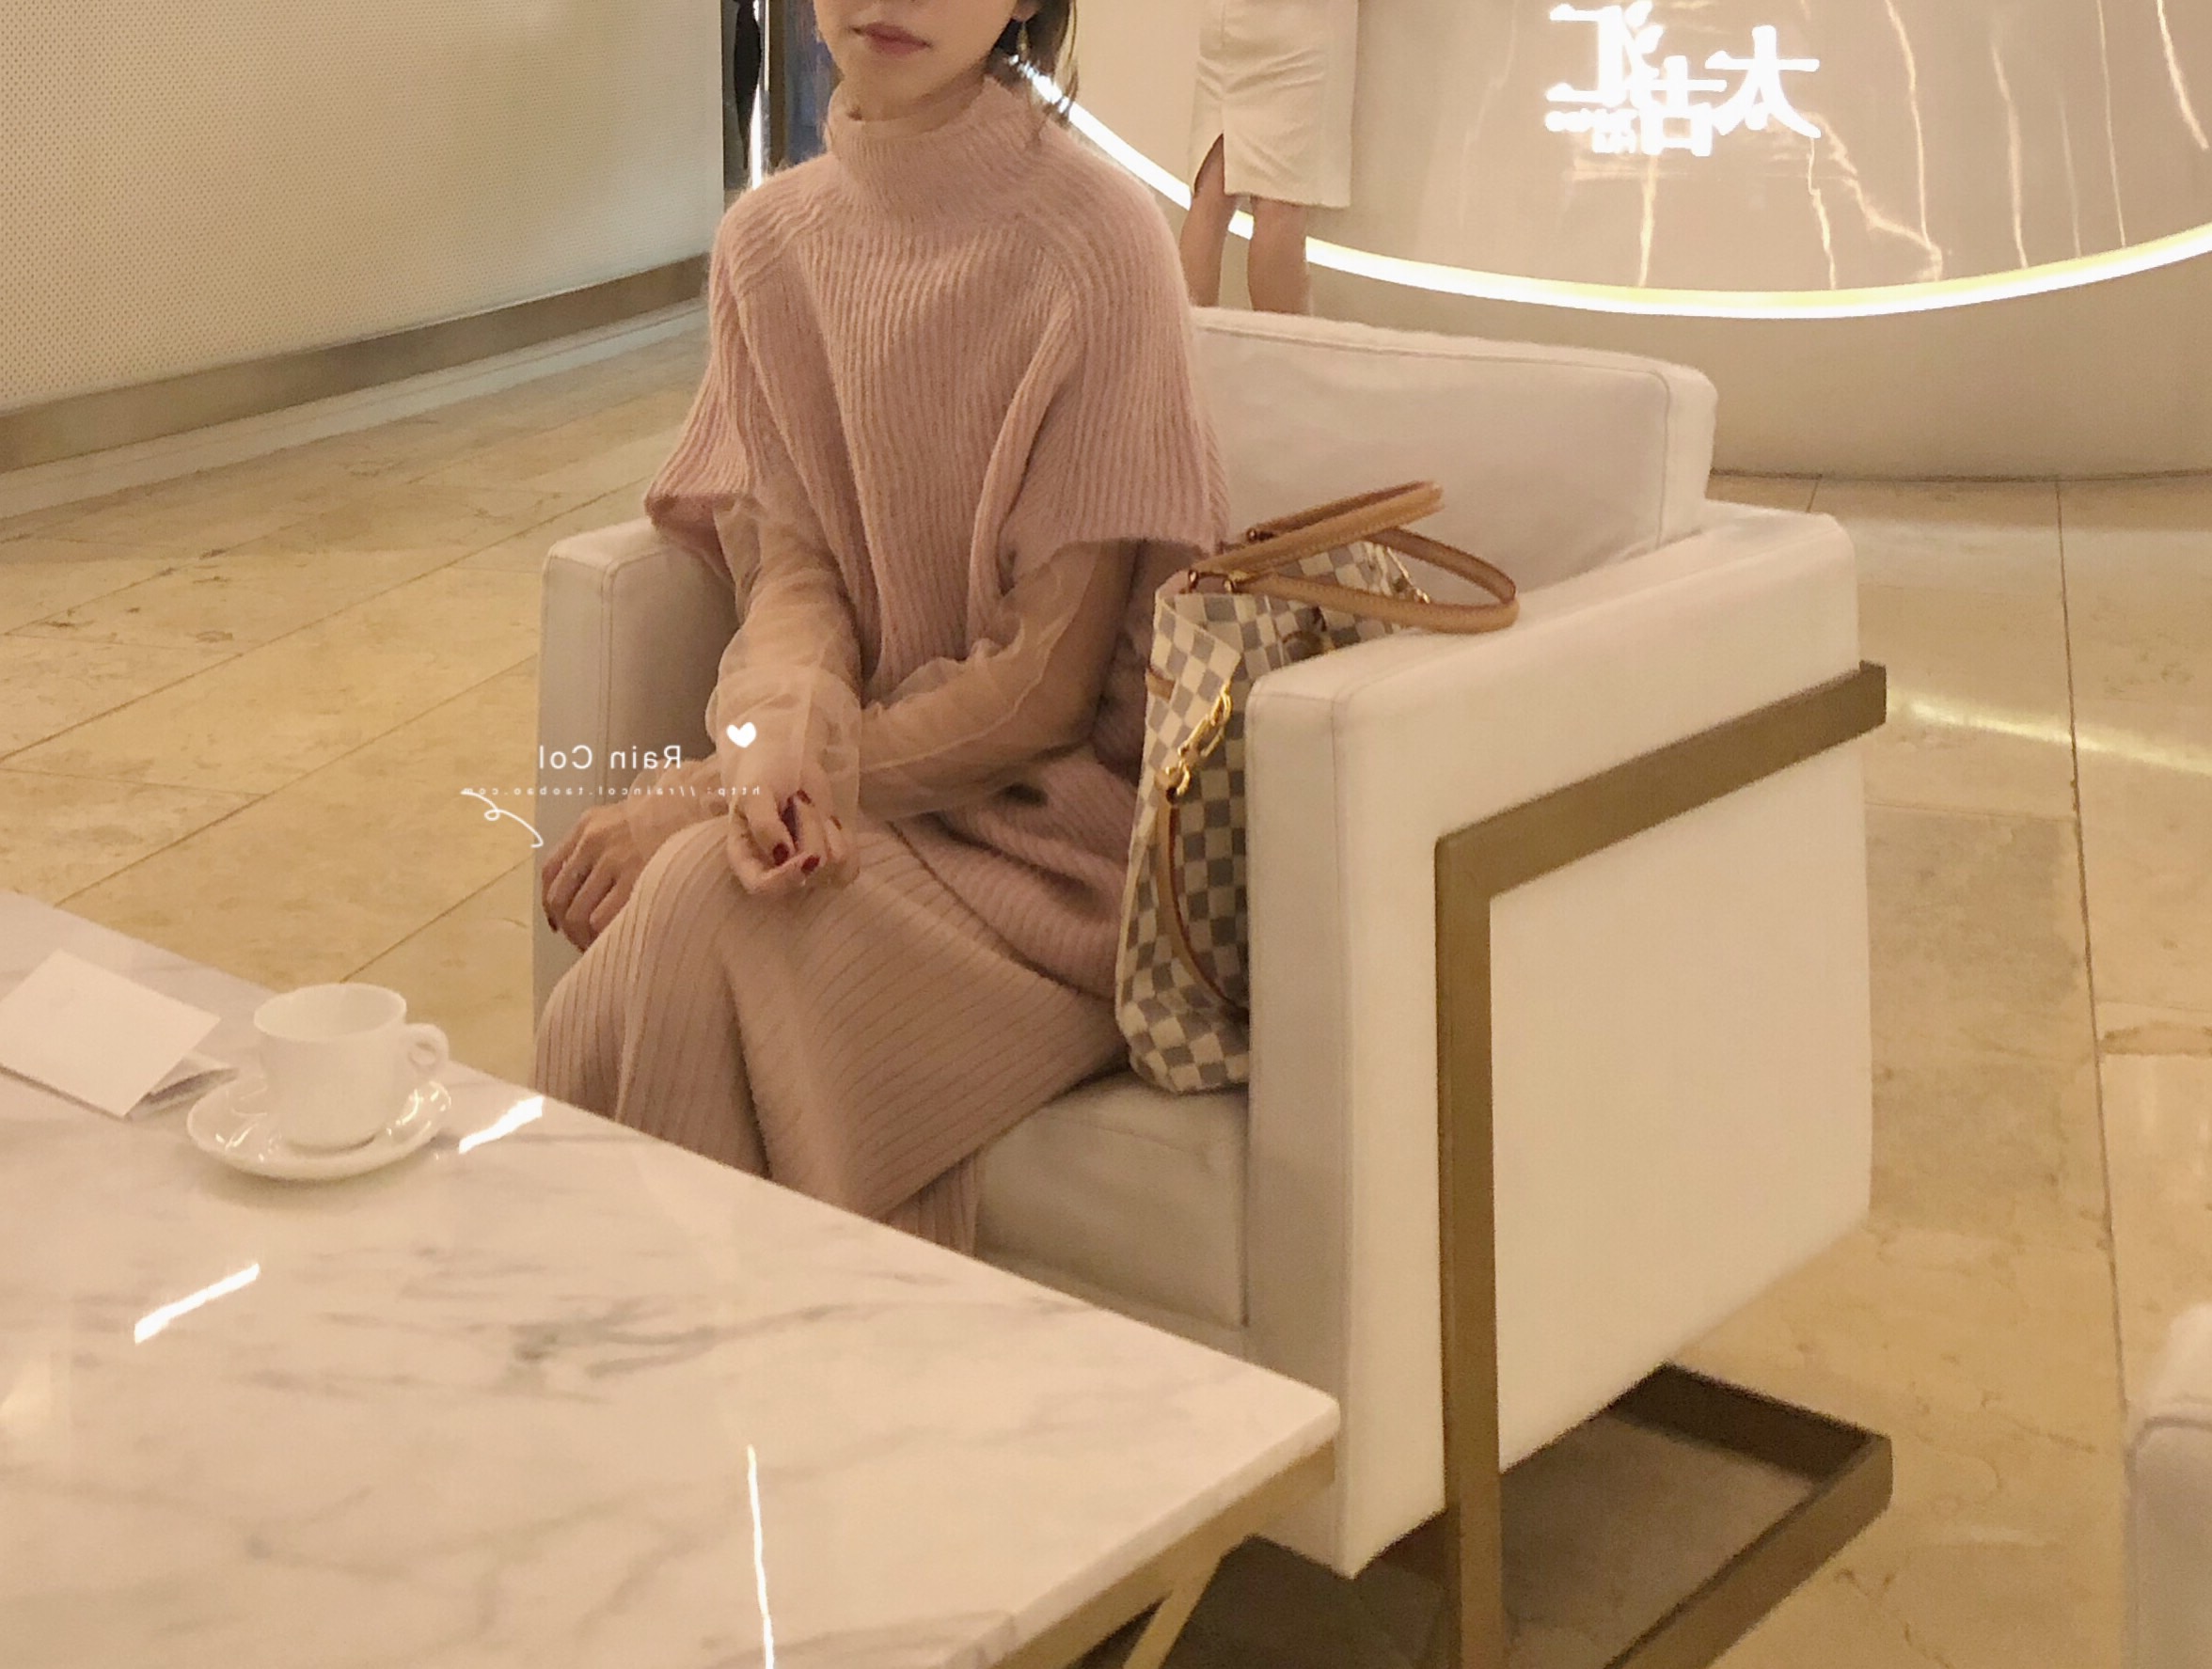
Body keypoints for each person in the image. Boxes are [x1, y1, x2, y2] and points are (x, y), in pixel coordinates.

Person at [534, 0, 1228, 1250]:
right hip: (863, 810)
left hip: (1054, 867)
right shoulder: (768, 243)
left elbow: (1044, 690)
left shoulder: (1100, 240)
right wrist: (776, 744)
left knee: (694, 907)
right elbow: (793, 577)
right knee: (655, 943)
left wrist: (712, 790)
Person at [1179, 0, 1360, 315]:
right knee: (1279, 205)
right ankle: (1284, 345)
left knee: (1211, 196)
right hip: (1298, 25)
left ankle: (1182, 339)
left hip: (1227, 20)